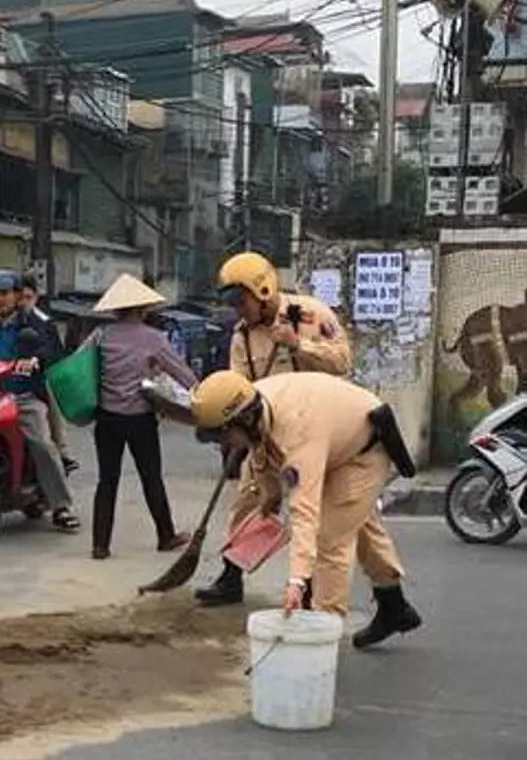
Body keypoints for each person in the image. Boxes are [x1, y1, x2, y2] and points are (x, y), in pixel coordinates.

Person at [190, 370, 422, 648]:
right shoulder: (254, 403)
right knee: (355, 523)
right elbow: (261, 451)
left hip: (362, 454)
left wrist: (297, 581)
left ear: (245, 420)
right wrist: (270, 495)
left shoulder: (297, 433)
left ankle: (323, 635)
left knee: (329, 540)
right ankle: (394, 607)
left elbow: (305, 512)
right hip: (336, 439)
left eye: (224, 436)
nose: (223, 445)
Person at [197, 251, 352, 606]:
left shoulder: (309, 316)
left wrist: (298, 344)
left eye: (242, 301)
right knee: (248, 502)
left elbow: (343, 361)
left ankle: (308, 585)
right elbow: (237, 384)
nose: (238, 310)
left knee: (309, 509)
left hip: (312, 432)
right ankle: (232, 573)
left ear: (263, 290)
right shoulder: (242, 336)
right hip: (264, 432)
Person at [82, 274, 196, 560]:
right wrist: (203, 393)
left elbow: (81, 366)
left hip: (106, 418)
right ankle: (165, 536)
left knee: (107, 481)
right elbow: (182, 375)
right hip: (140, 419)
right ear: (143, 308)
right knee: (151, 478)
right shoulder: (155, 339)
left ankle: (100, 545)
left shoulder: (100, 335)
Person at [0, 269, 80, 532]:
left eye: (4, 293)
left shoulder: (35, 325)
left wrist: (35, 359)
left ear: (16, 296)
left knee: (42, 444)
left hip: (23, 398)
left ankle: (61, 506)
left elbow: (50, 350)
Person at [19, 274, 76, 474]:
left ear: (35, 298)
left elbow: (55, 352)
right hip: (8, 376)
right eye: (20, 297)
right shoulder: (3, 320)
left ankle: (62, 453)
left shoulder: (45, 323)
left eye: (28, 297)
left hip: (40, 376)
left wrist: (38, 359)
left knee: (52, 404)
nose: (23, 302)